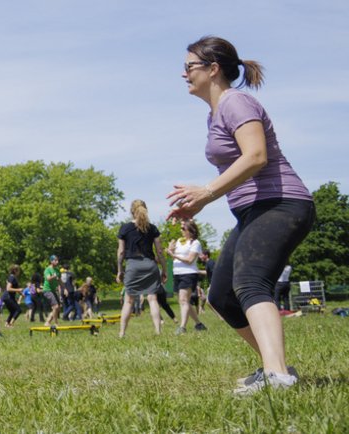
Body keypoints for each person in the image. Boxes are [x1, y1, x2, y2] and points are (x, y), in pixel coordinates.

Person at [167, 36, 315, 395]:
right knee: (221, 295)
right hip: (252, 210)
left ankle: (278, 376)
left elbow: (256, 156)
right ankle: (273, 367)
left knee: (250, 283)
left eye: (189, 66)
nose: (183, 73)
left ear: (213, 69)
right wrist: (202, 201)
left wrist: (207, 192)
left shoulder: (236, 101)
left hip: (281, 203)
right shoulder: (214, 114)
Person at [116, 200, 167, 337]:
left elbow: (121, 252)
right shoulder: (152, 228)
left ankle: (122, 333)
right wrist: (164, 269)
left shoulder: (125, 228)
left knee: (129, 301)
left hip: (133, 265)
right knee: (152, 299)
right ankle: (158, 331)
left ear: (132, 211)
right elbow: (160, 252)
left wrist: (120, 270)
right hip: (150, 265)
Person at [167, 221, 208, 333]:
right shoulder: (180, 241)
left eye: (183, 228)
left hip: (189, 274)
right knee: (184, 301)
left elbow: (190, 260)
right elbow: (172, 255)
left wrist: (174, 255)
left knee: (183, 300)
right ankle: (199, 324)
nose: (181, 230)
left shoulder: (195, 243)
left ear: (190, 230)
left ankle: (182, 327)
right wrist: (170, 249)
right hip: (177, 273)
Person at [41, 256, 62, 328]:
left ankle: (47, 322)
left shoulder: (57, 270)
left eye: (57, 260)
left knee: (58, 308)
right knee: (55, 306)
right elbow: (48, 278)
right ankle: (56, 323)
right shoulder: (47, 270)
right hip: (47, 290)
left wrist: (64, 289)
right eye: (55, 260)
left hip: (53, 291)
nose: (57, 262)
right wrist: (53, 276)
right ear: (51, 261)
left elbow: (59, 281)